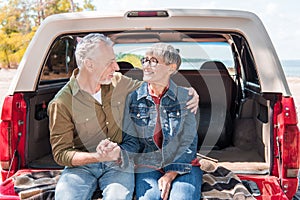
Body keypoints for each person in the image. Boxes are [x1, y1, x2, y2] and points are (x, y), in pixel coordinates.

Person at [47, 33, 199, 200]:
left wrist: (189, 93)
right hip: (82, 166)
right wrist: (98, 157)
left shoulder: (118, 82)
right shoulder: (61, 103)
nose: (117, 67)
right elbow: (61, 153)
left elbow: (155, 85)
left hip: (118, 163)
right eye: (110, 62)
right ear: (89, 65)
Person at [121, 43, 202, 200]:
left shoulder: (186, 97)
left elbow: (189, 142)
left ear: (171, 68)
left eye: (153, 61)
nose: (146, 65)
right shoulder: (133, 98)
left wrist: (170, 175)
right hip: (147, 162)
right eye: (144, 60)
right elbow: (131, 139)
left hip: (183, 163)